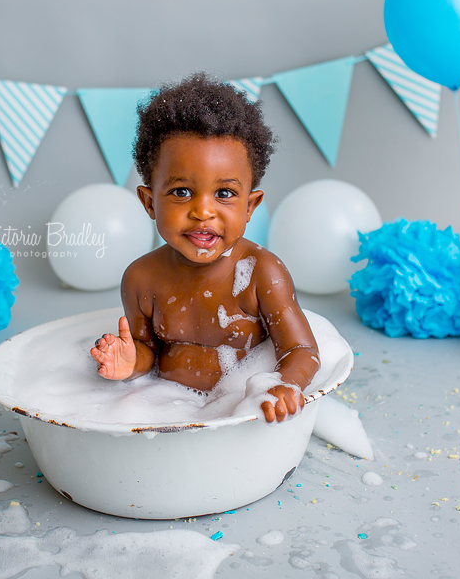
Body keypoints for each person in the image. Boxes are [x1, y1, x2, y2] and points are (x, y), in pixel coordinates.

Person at [90, 73, 320, 423]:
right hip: (163, 414)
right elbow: (149, 350)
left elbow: (301, 350)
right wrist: (130, 361)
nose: (203, 211)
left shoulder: (261, 273)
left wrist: (282, 385)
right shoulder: (142, 278)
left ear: (250, 205)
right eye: (181, 192)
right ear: (149, 202)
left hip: (242, 415)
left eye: (225, 193)